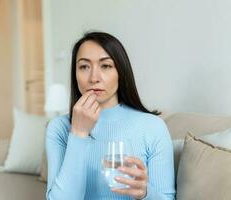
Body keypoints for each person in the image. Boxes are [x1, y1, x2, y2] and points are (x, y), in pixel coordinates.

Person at [45, 32, 176, 200]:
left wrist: (145, 193)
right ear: (75, 74)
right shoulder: (59, 128)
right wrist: (78, 133)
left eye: (105, 66)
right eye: (84, 66)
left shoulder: (153, 127)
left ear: (120, 71)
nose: (93, 78)